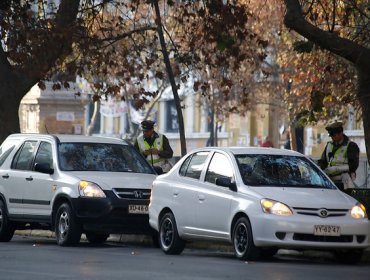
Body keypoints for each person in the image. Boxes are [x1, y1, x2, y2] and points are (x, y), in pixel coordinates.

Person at [318, 121, 359, 191]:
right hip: (329, 180)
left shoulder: (351, 146)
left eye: (334, 135)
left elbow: (353, 165)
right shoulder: (329, 145)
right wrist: (318, 167)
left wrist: (336, 169)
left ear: (341, 133)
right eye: (331, 135)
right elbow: (323, 161)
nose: (332, 137)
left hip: (344, 181)